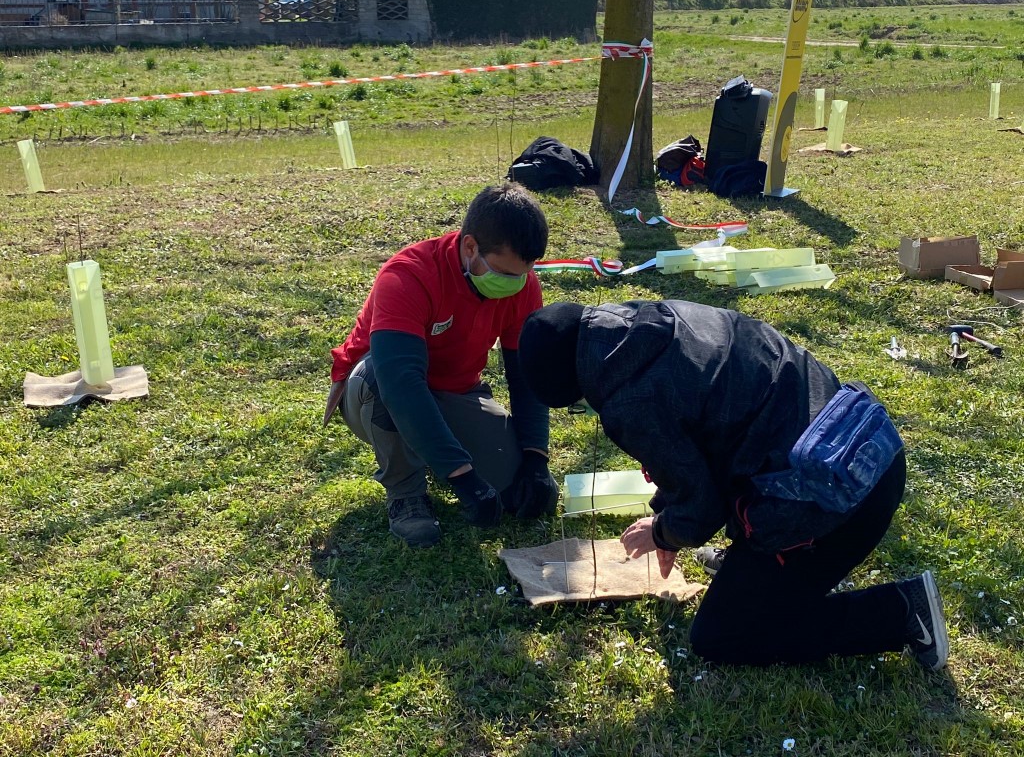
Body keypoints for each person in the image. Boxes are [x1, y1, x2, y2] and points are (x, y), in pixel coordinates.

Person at [517, 299, 949, 670]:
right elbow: (700, 441)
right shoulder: (656, 321)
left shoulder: (629, 400)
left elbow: (702, 507)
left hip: (837, 502)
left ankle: (901, 611)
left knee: (721, 636)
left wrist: (663, 531)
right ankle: (755, 567)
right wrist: (668, 514)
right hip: (866, 444)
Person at [323, 182, 559, 548]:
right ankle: (406, 493)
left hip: (455, 390)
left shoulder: (522, 284)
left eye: (523, 274)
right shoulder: (408, 276)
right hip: (374, 390)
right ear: (470, 247)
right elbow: (401, 385)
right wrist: (462, 477)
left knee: (521, 492)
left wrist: (535, 457)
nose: (515, 285)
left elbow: (526, 375)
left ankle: (434, 449)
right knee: (382, 382)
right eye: (504, 273)